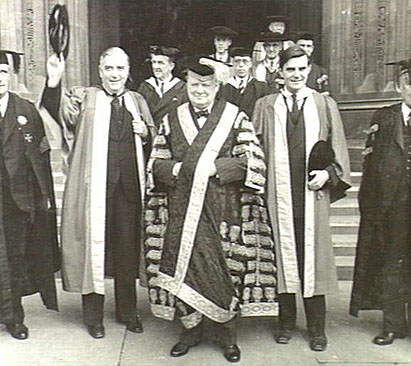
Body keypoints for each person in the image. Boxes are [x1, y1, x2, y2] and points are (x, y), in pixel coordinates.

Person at [144, 55, 277, 362]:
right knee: (186, 267)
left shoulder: (236, 117)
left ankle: (227, 336)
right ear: (185, 85)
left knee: (225, 270)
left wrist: (216, 167)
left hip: (224, 211)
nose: (200, 90)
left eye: (206, 84)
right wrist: (178, 170)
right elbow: (156, 164)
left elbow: (253, 162)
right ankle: (189, 330)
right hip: (181, 211)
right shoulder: (172, 118)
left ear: (217, 86)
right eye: (194, 84)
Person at [40, 47, 155, 338]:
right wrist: (54, 82)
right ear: (100, 71)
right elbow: (59, 117)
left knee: (127, 251)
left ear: (128, 72)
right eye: (109, 68)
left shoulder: (137, 100)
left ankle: (128, 311)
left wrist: (145, 134)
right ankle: (93, 317)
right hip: (94, 191)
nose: (114, 74)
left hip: (129, 190)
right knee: (93, 251)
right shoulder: (86, 97)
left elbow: (156, 139)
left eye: (120, 68)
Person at [253, 45, 351, 351]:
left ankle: (317, 327)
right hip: (277, 196)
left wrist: (328, 175)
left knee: (312, 259)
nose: (296, 74)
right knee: (281, 259)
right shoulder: (265, 105)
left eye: (301, 68)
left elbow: (339, 149)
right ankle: (285, 321)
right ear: (280, 72)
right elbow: (252, 149)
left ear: (309, 70)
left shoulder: (323, 104)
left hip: (312, 197)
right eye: (290, 69)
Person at [350, 57, 411, 345]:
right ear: (400, 86)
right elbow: (371, 165)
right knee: (392, 264)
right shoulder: (384, 117)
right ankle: (393, 324)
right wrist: (371, 206)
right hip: (393, 206)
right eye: (409, 82)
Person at [0, 50, 59, 340]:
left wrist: (41, 197)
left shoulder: (24, 109)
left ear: (10, 75)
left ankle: (14, 318)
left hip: (16, 200)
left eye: (2, 73)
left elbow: (40, 156)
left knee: (14, 257)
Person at [137, 45, 186, 125]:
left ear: (171, 66)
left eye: (160, 63)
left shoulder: (182, 88)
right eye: (154, 62)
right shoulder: (145, 87)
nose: (156, 67)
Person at [219, 47, 270, 118]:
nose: (241, 65)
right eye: (237, 61)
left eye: (245, 61)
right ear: (232, 63)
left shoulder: (261, 87)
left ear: (251, 64)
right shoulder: (224, 87)